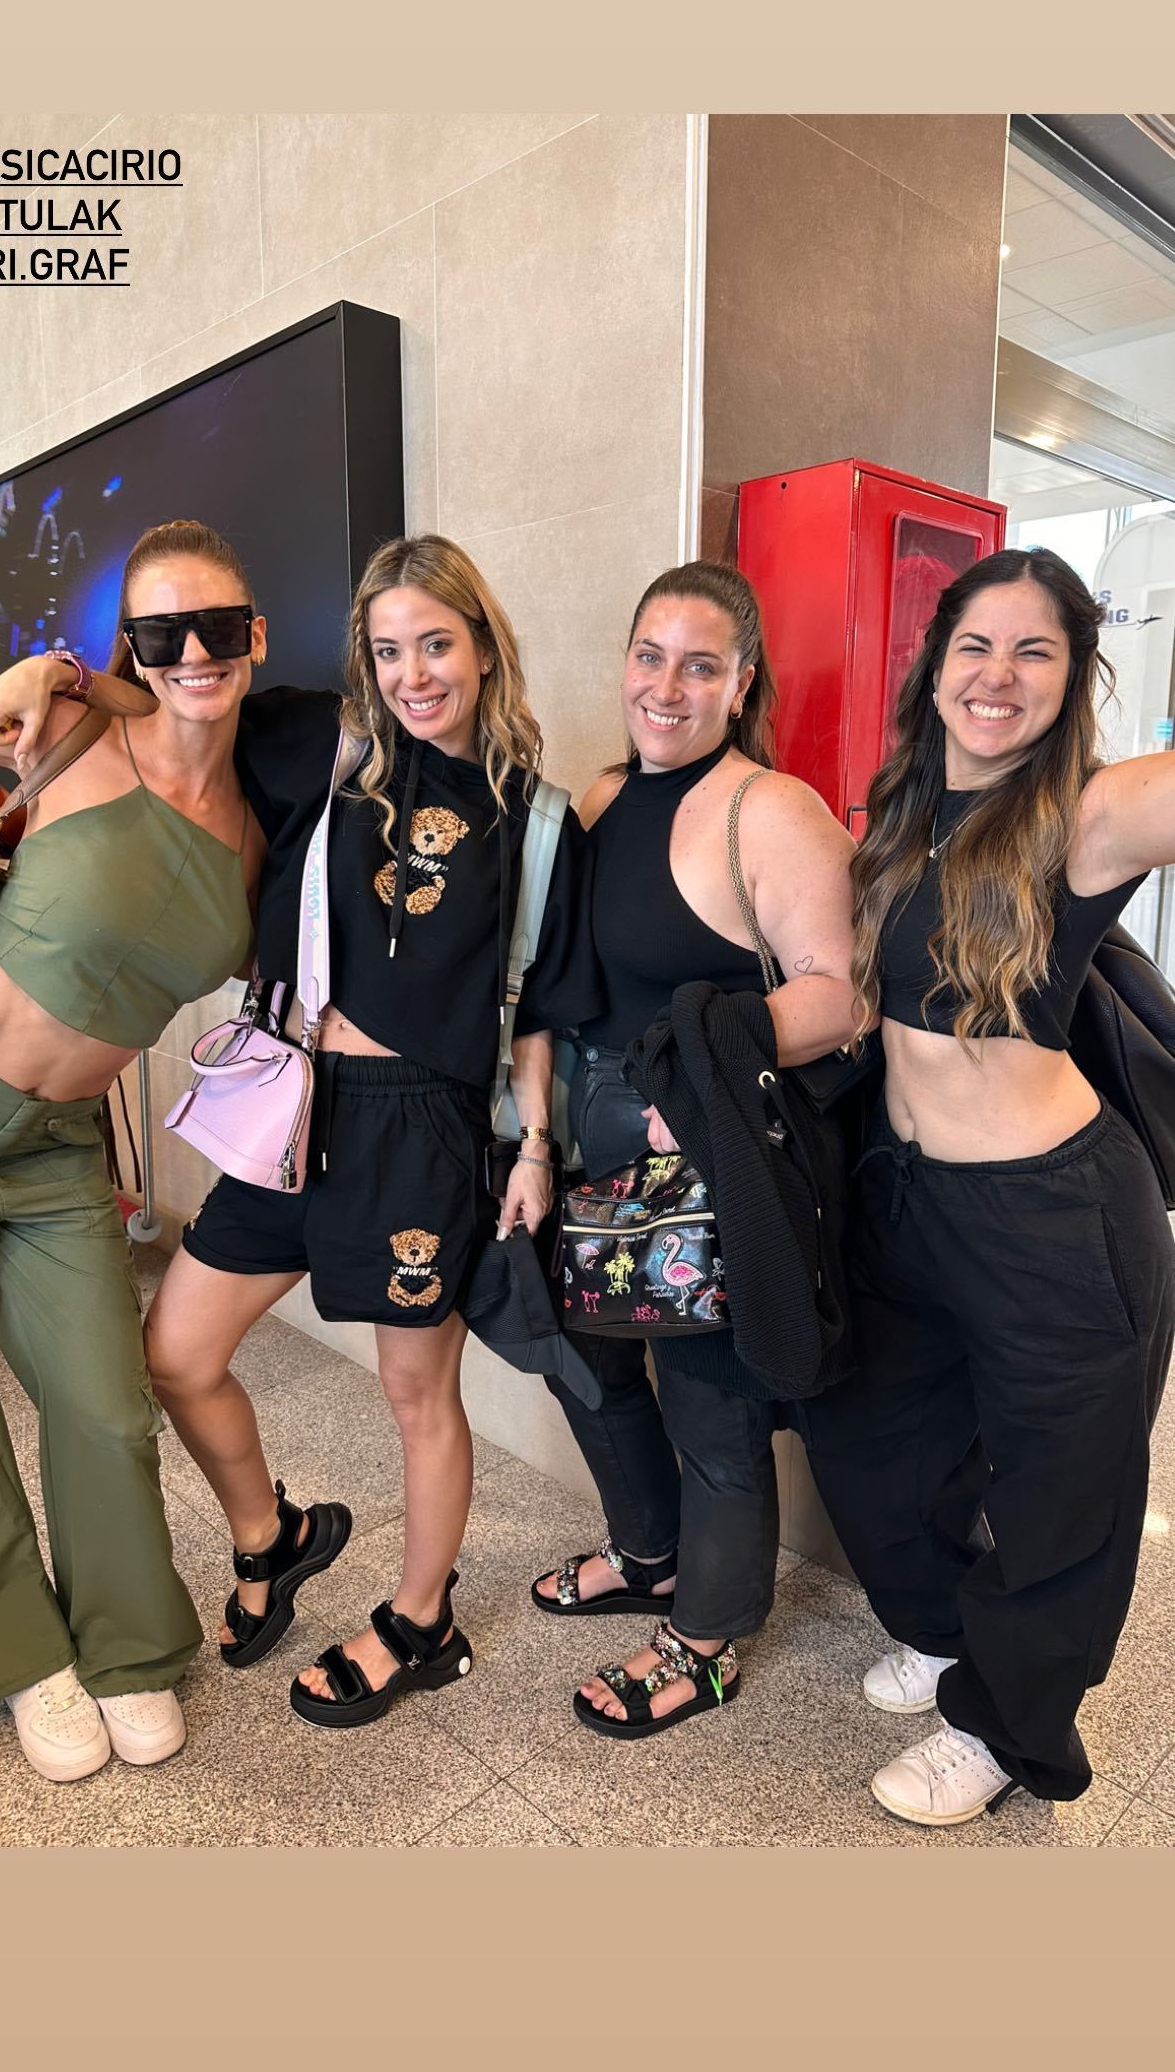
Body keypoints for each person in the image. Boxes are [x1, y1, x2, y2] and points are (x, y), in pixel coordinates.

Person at [125, 535, 599, 1727]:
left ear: (483, 647)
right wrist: (56, 683)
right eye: (388, 651)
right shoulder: (323, 749)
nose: (412, 674)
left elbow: (539, 1008)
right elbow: (171, 701)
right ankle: (272, 1534)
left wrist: (536, 1146)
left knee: (414, 1393)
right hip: (292, 1108)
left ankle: (420, 1620)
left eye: (435, 644)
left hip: (419, 1132)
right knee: (177, 1350)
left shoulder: (538, 822)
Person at [0, 518, 268, 1783]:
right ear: (133, 650)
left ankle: (123, 1643)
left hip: (54, 1153)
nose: (195, 653)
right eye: (163, 633)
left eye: (219, 626)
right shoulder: (65, 730)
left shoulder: (254, 838)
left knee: (105, 1406)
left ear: (256, 636)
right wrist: (18, 681)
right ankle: (17, 1655)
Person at [801, 547, 1175, 1826]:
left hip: (1054, 1218)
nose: (998, 674)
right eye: (976, 644)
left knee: (1063, 1491)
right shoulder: (903, 814)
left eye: (1035, 651)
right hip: (909, 1199)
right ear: (935, 663)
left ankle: (1007, 1726)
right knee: (869, 1438)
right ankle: (951, 1631)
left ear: (1074, 678)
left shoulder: (1086, 815)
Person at [531, 563, 858, 1736]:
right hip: (585, 1138)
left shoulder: (767, 809)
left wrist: (704, 1070)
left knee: (710, 1406)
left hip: (700, 1150)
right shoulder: (605, 795)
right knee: (582, 1359)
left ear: (740, 682)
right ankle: (649, 1554)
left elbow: (840, 995)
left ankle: (707, 1640)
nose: (667, 687)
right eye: (651, 656)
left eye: (700, 665)